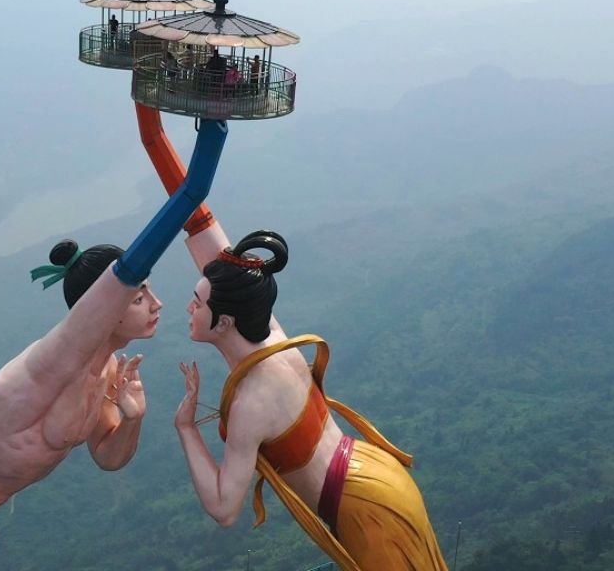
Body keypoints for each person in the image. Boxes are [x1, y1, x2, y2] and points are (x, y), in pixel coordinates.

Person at [0, 118, 229, 570]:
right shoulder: (55, 363)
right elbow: (131, 265)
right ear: (104, 307)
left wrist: (134, 418)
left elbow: (108, 456)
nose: (156, 302)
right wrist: (203, 161)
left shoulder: (107, 369)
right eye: (138, 295)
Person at [172, 230, 449, 571]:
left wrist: (186, 428)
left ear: (224, 322)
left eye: (197, 303)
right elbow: (225, 265)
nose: (189, 307)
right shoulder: (275, 339)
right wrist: (190, 210)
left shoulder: (251, 403)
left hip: (360, 506)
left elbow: (223, 507)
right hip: (374, 474)